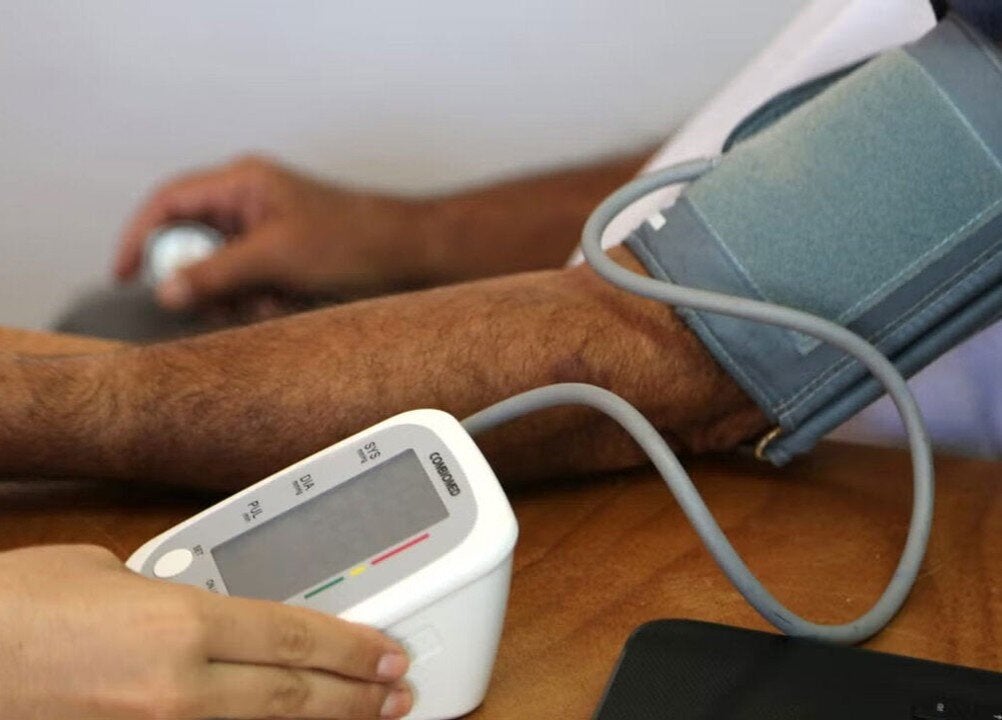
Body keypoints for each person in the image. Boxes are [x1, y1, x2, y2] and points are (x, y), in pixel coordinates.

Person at [2, 1, 997, 718]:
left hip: (866, 492)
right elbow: (775, 169)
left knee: (111, 333)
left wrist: (45, 398)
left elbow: (672, 333)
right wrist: (405, 231)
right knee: (116, 312)